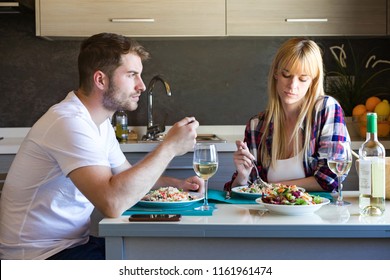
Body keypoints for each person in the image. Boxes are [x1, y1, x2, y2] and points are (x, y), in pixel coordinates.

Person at [0, 33, 202, 260]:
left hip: (71, 245)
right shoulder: (68, 122)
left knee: (152, 254)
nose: (142, 86)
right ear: (100, 80)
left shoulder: (98, 122)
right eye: (132, 75)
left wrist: (178, 186)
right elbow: (113, 202)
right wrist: (169, 148)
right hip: (38, 258)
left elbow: (125, 176)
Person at [224, 38, 351, 193]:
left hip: (316, 215)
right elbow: (241, 190)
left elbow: (331, 178)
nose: (292, 85)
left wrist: (270, 188)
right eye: (286, 75)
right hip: (267, 215)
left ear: (313, 80)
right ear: (276, 73)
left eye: (303, 78)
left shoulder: (325, 109)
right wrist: (243, 176)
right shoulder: (257, 125)